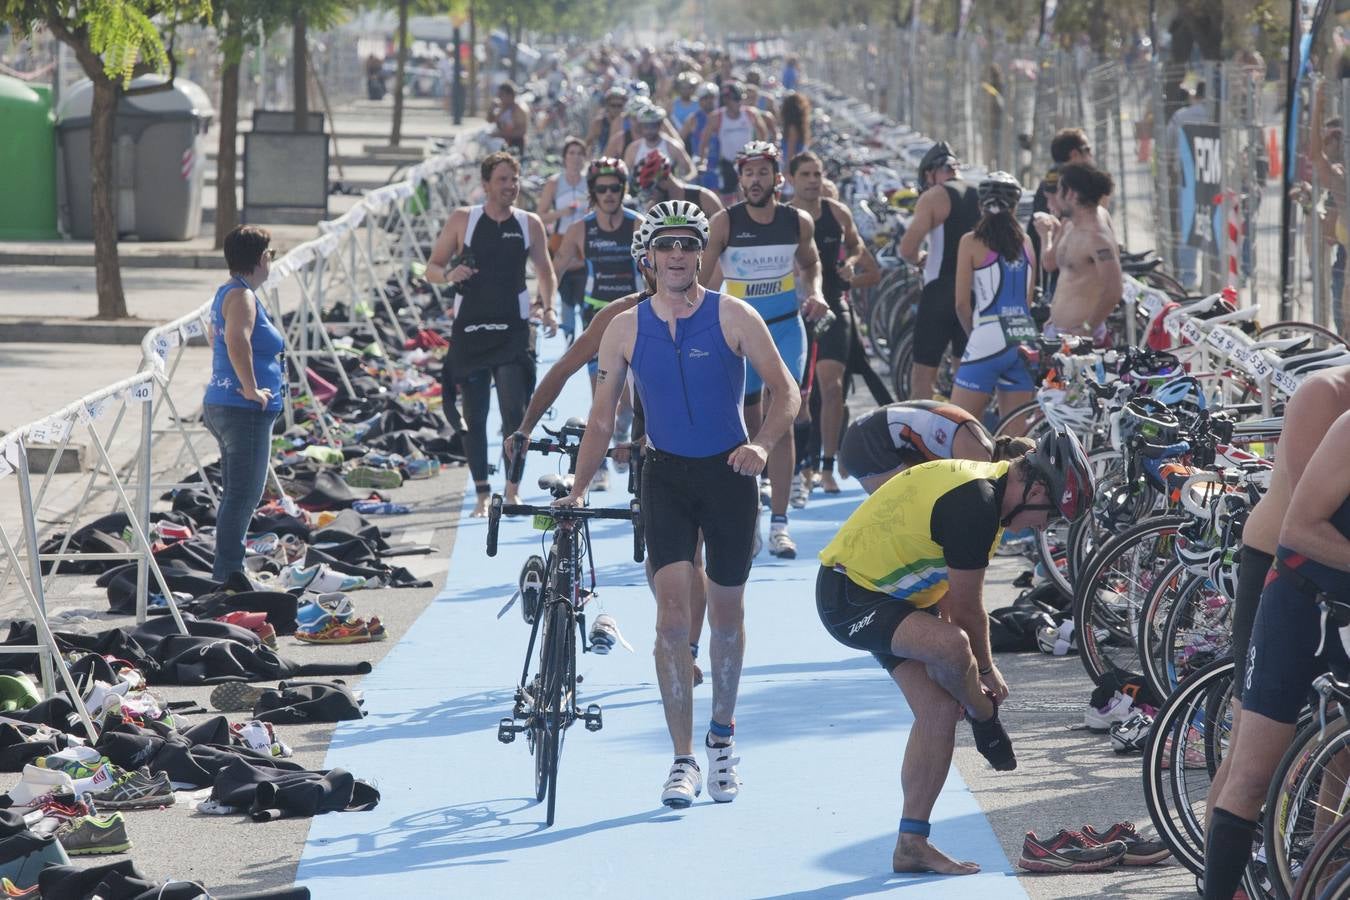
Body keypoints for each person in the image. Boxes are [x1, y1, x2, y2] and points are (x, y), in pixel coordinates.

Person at [556, 201, 802, 808]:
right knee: (670, 620)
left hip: (728, 475)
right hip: (664, 475)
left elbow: (785, 388)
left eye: (688, 246)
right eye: (665, 247)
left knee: (724, 616)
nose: (677, 257)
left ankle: (722, 741)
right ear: (647, 258)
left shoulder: (733, 315)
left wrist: (763, 444)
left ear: (701, 254)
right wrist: (580, 485)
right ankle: (684, 758)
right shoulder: (625, 327)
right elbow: (601, 416)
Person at [816, 430, 1093, 874]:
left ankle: (911, 842)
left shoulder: (992, 495)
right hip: (851, 596)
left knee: (940, 711)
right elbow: (965, 610)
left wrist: (974, 674)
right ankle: (985, 720)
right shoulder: (977, 503)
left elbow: (946, 590)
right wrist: (985, 673)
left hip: (895, 598)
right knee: (953, 646)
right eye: (1049, 516)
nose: (1044, 528)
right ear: (1036, 489)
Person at [1200, 368, 1350, 897]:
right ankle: (1217, 885)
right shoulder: (1332, 404)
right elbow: (1302, 525)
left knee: (1342, 755)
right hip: (1297, 593)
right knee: (1252, 767)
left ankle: (1318, 871)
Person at [702, 141, 829, 559]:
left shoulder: (798, 221)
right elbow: (701, 284)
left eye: (762, 172)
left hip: (785, 329)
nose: (755, 180)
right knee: (748, 428)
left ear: (778, 178)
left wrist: (815, 292)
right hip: (739, 334)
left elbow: (811, 264)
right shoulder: (724, 223)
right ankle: (750, 517)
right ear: (739, 179)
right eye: (748, 173)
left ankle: (780, 525)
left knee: (783, 419)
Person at [426, 151, 557, 517]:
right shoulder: (462, 221)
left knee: (514, 413)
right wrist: (450, 275)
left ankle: (511, 490)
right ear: (485, 185)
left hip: (513, 331)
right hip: (470, 331)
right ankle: (483, 494)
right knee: (475, 415)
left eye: (514, 179)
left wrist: (548, 308)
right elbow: (431, 269)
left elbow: (545, 272)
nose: (510, 187)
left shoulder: (529, 223)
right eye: (502, 180)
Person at [548, 157, 643, 491]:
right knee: (602, 394)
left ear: (623, 190)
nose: (609, 194)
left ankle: (624, 429)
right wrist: (545, 303)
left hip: (633, 315)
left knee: (632, 397)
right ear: (593, 193)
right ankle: (598, 464)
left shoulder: (637, 225)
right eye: (601, 189)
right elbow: (554, 268)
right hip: (597, 317)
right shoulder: (581, 229)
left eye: (615, 188)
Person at [788, 150, 876, 494]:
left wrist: (851, 264)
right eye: (806, 174)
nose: (813, 180)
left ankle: (826, 465)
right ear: (792, 178)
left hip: (834, 305)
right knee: (798, 392)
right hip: (795, 308)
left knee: (832, 385)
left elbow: (856, 247)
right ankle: (802, 463)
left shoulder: (837, 212)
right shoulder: (784, 216)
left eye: (817, 173)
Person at [204, 226, 285, 583]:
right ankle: (229, 575)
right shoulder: (243, 297)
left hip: (226, 405)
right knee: (242, 495)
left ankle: (229, 570)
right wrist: (251, 389)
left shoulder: (230, 292)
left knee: (237, 494)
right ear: (261, 258)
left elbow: (215, 338)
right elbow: (237, 340)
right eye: (271, 255)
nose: (272, 261)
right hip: (243, 411)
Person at [950, 173, 1037, 424]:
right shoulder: (1027, 242)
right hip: (1023, 338)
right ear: (1015, 206)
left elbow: (961, 304)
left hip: (988, 334)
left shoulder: (970, 241)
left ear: (980, 205)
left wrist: (976, 336)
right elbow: (1027, 300)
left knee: (957, 427)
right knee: (1015, 443)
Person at [899, 142, 983, 402]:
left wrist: (920, 258)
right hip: (974, 292)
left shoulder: (934, 196)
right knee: (965, 374)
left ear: (929, 174)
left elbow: (907, 248)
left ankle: (920, 438)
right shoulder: (980, 193)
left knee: (923, 375)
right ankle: (963, 434)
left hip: (940, 293)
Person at [840, 400, 1033, 494]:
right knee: (900, 507)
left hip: (864, 435)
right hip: (866, 442)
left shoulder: (983, 441)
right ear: (1009, 463)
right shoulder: (978, 453)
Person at [1034, 163, 1122, 341]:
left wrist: (1088, 328)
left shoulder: (1097, 238)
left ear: (1071, 194)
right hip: (1056, 332)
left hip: (1081, 340)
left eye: (1059, 190)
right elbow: (1050, 264)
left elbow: (1114, 290)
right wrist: (1046, 235)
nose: (1056, 197)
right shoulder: (1069, 223)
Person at [536, 137, 590, 344]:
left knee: (584, 289)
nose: (575, 158)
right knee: (565, 290)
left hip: (584, 242)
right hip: (560, 240)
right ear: (564, 157)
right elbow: (540, 215)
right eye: (571, 153)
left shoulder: (590, 181)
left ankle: (588, 335)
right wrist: (563, 212)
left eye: (579, 153)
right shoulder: (555, 183)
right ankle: (568, 335)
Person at [1027, 128, 1093, 291]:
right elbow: (1049, 260)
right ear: (1074, 154)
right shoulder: (1057, 184)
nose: (1050, 206)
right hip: (1053, 277)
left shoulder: (1075, 191)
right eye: (1087, 150)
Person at [698, 82, 770, 203]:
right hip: (727, 163)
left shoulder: (750, 113)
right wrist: (702, 161)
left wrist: (760, 152)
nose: (739, 103)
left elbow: (763, 133)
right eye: (735, 99)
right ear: (726, 100)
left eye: (740, 99)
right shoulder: (716, 117)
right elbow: (704, 142)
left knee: (747, 196)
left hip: (747, 162)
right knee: (726, 199)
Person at [635, 148, 724, 219]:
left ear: (664, 180)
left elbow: (723, 233)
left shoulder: (704, 198)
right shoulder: (653, 209)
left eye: (651, 190)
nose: (651, 196)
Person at [621, 104, 697, 181]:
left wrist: (682, 182)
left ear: (660, 125)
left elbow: (691, 171)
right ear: (641, 126)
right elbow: (625, 174)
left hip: (668, 191)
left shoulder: (672, 146)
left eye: (653, 126)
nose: (649, 131)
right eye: (646, 126)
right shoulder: (633, 148)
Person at [680, 82, 722, 192]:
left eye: (711, 98)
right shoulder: (693, 119)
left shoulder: (722, 116)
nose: (708, 101)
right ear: (699, 100)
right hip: (699, 165)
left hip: (719, 164)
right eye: (705, 98)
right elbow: (679, 141)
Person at [488, 81, 529, 155]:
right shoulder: (501, 107)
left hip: (515, 145)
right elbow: (490, 120)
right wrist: (491, 109)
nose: (499, 98)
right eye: (498, 95)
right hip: (501, 143)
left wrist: (501, 134)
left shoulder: (519, 109)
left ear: (510, 95)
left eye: (501, 95)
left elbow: (521, 132)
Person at [586, 86, 630, 154]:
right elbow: (589, 144)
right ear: (607, 105)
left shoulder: (629, 122)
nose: (616, 109)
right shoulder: (599, 122)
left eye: (619, 106)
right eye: (613, 105)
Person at [780, 92, 811, 160]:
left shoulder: (792, 128)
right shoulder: (801, 128)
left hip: (791, 165)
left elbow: (790, 152)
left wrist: (787, 168)